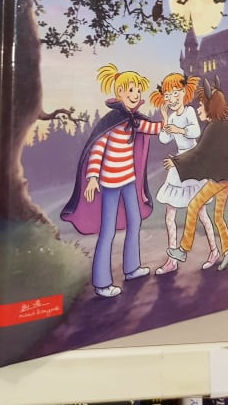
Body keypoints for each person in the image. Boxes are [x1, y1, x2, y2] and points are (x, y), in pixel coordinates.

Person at [61, 63, 167, 298]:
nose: (135, 95)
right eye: (130, 90)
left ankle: (132, 268)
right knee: (107, 230)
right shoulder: (112, 122)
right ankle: (102, 283)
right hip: (110, 184)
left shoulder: (134, 120)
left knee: (135, 221)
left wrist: (166, 116)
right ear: (119, 92)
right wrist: (92, 177)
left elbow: (154, 128)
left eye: (137, 91)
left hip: (128, 180)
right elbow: (97, 150)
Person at [165, 78, 228, 272]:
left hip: (218, 180)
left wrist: (176, 162)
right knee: (218, 216)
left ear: (210, 107)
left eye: (201, 105)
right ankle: (227, 250)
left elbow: (198, 152)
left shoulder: (213, 128)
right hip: (226, 181)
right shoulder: (225, 125)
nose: (199, 109)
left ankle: (183, 249)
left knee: (193, 205)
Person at [149, 72, 218, 274]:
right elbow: (163, 139)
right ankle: (172, 260)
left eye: (175, 93)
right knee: (170, 214)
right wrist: (165, 120)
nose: (172, 98)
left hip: (192, 162)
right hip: (179, 164)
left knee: (201, 212)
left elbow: (195, 132)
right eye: (167, 95)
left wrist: (178, 130)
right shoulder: (171, 116)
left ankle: (214, 251)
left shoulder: (189, 112)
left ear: (184, 92)